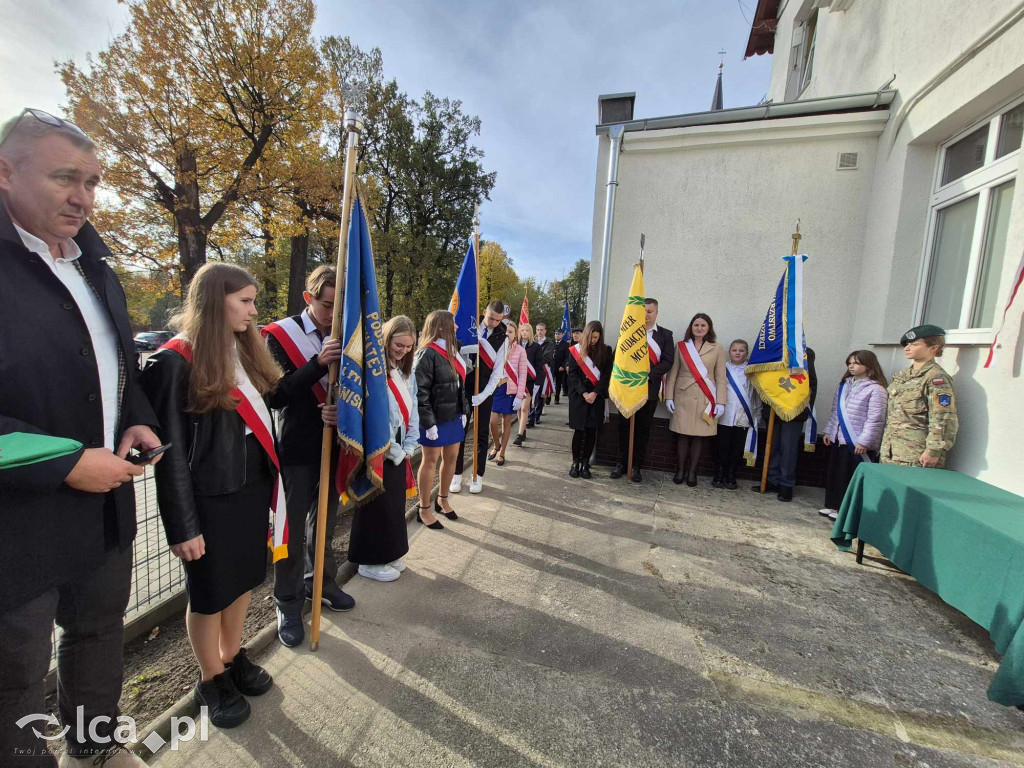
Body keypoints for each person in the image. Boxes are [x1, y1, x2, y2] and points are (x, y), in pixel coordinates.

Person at [0, 109, 160, 767]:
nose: (84, 197)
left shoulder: (98, 269)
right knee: (15, 677)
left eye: (93, 181)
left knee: (97, 637)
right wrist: (66, 462)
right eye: (66, 177)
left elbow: (122, 367)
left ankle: (95, 750)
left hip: (102, 513)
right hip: (18, 524)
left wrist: (137, 417)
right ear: (5, 172)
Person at [141, 263, 284, 729]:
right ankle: (210, 679)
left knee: (242, 580)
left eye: (253, 300)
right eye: (244, 300)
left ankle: (232, 655)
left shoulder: (242, 350)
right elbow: (171, 456)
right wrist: (183, 527)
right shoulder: (175, 360)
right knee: (208, 593)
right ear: (213, 300)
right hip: (208, 499)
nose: (253, 310)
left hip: (250, 488)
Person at [262, 265, 354, 649]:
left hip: (334, 444)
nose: (332, 314)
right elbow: (275, 395)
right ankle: (287, 601)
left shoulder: (350, 334)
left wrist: (342, 412)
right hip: (297, 446)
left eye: (338, 306)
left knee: (324, 523)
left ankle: (322, 583)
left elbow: (360, 387)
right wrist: (316, 364)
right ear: (308, 298)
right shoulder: (278, 335)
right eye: (325, 304)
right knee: (291, 530)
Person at [348, 316, 418, 580]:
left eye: (409, 347)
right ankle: (370, 561)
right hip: (380, 449)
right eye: (399, 345)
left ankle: (390, 552)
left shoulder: (402, 371)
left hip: (400, 448)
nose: (403, 351)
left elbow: (412, 409)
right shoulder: (373, 371)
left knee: (394, 505)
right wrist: (393, 450)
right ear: (386, 339)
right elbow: (374, 415)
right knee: (377, 505)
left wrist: (410, 444)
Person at [611, 298, 675, 482]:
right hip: (628, 389)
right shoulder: (629, 333)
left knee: (642, 429)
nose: (646, 315)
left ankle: (637, 465)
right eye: (643, 311)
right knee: (624, 427)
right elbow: (618, 357)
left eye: (650, 311)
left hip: (649, 390)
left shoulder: (665, 335)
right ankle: (620, 463)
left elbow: (668, 361)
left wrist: (647, 375)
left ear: (656, 313)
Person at [819, 350, 888, 520]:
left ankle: (846, 510)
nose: (851, 366)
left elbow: (876, 418)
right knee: (836, 474)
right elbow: (836, 411)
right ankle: (833, 505)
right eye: (849, 363)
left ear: (868, 365)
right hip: (839, 438)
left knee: (850, 476)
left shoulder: (876, 389)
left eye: (856, 363)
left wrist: (865, 441)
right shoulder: (844, 385)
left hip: (857, 442)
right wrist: (829, 430)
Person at [414, 310, 468, 528]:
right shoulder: (427, 353)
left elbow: (459, 385)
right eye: (452, 324)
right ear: (441, 327)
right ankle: (424, 508)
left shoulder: (452, 350)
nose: (456, 328)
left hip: (453, 415)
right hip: (434, 418)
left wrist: (463, 411)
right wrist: (428, 423)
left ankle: (442, 499)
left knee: (452, 457)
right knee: (430, 460)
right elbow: (420, 391)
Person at [879, 325, 958, 468]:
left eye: (915, 344)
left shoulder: (936, 378)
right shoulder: (902, 376)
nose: (907, 348)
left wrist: (933, 451)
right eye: (907, 344)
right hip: (890, 451)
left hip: (916, 455)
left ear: (933, 348)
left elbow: (943, 416)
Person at [452, 300, 507, 493]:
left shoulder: (503, 337)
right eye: (491, 318)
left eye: (498, 320)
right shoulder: (470, 328)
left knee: (482, 433)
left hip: (485, 389)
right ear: (484, 312)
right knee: (459, 431)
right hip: (464, 386)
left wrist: (484, 395)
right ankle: (456, 474)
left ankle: (478, 475)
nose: (493, 323)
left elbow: (498, 370)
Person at [665, 313, 726, 487]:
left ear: (709, 328)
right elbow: (673, 374)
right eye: (696, 325)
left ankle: (692, 472)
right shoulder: (681, 346)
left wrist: (721, 401)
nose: (699, 328)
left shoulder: (717, 348)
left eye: (703, 325)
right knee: (682, 435)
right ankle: (680, 470)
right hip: (683, 396)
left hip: (706, 398)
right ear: (691, 327)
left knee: (700, 437)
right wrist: (669, 396)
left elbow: (721, 377)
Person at [754, 347, 818, 502]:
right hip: (774, 409)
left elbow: (810, 385)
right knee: (773, 446)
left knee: (788, 449)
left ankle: (786, 485)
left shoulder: (804, 353)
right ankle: (772, 480)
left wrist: (799, 407)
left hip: (793, 411)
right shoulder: (773, 350)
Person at [567, 320, 613, 479]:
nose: (593, 340)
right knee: (579, 431)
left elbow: (607, 375)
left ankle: (585, 463)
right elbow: (572, 373)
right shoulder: (576, 350)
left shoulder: (606, 351)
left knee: (591, 431)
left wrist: (595, 393)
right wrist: (584, 392)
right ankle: (575, 463)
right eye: (591, 337)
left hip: (596, 396)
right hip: (579, 396)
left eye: (596, 337)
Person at [713, 339, 760, 490]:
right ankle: (719, 474)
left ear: (747, 353)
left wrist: (756, 415)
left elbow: (756, 396)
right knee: (722, 447)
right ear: (729, 352)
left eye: (741, 350)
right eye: (734, 350)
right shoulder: (723, 368)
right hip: (725, 416)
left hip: (743, 417)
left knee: (736, 449)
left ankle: (731, 475)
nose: (738, 353)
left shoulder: (751, 371)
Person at [490, 319, 527, 462]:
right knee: (493, 421)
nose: (507, 334)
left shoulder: (520, 351)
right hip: (495, 388)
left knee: (506, 423)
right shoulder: (495, 347)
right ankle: (496, 444)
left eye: (510, 332)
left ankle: (502, 452)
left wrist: (519, 396)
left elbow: (522, 375)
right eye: (505, 331)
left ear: (515, 334)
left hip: (509, 390)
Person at [515, 322, 545, 445]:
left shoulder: (536, 347)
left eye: (527, 330)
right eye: (522, 330)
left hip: (529, 382)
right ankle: (522, 430)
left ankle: (519, 435)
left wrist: (538, 383)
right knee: (518, 407)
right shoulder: (515, 346)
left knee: (524, 407)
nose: (525, 333)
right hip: (517, 381)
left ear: (531, 333)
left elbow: (539, 367)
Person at [529, 322, 555, 423]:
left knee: (540, 394)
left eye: (541, 330)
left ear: (545, 331)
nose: (539, 332)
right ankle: (530, 416)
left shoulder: (549, 343)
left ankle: (537, 416)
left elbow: (547, 357)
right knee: (531, 394)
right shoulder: (531, 341)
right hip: (531, 371)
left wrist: (535, 358)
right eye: (538, 330)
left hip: (543, 371)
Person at [552, 328, 570, 404]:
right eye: (556, 334)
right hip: (551, 366)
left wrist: (563, 366)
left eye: (559, 334)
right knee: (549, 382)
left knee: (558, 384)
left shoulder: (565, 344)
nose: (557, 335)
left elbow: (567, 357)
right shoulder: (551, 343)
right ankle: (548, 398)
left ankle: (556, 398)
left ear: (562, 335)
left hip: (560, 367)